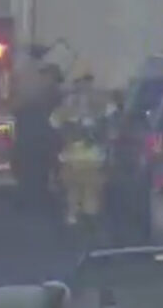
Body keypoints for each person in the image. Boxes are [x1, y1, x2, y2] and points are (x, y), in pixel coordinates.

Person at [52, 69, 112, 229]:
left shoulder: (96, 102)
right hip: (81, 157)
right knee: (78, 191)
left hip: (86, 158)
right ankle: (81, 219)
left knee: (85, 192)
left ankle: (82, 219)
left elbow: (55, 124)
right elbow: (56, 124)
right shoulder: (77, 103)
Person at [12, 63, 63, 214]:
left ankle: (33, 202)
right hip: (36, 141)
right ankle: (35, 201)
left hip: (40, 140)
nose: (44, 79)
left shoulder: (50, 96)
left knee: (35, 173)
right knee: (34, 173)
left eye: (47, 76)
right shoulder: (46, 95)